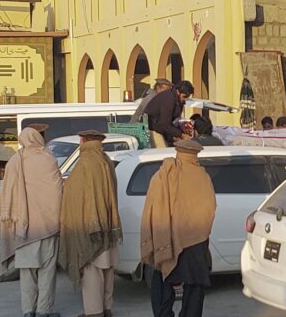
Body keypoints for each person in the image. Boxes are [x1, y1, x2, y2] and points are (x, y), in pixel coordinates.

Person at [141, 140, 216, 317]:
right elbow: (210, 209)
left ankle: (163, 314)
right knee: (195, 283)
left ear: (178, 152)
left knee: (163, 278)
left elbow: (152, 207)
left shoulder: (162, 175)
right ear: (195, 155)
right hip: (195, 241)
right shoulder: (202, 177)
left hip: (166, 238)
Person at [0, 124, 63, 317]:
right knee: (47, 271)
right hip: (48, 226)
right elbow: (57, 192)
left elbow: (7, 195)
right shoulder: (48, 159)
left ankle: (28, 310)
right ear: (39, 137)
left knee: (27, 273)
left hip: (23, 228)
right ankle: (43, 310)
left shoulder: (14, 161)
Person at [59, 130, 123, 317]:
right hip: (108, 224)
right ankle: (106, 308)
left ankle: (94, 312)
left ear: (84, 141)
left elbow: (77, 196)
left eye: (81, 140)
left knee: (92, 271)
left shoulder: (85, 163)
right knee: (107, 269)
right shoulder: (105, 160)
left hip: (90, 227)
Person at [144, 80, 195, 146]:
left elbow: (170, 122)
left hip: (161, 129)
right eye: (184, 96)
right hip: (153, 130)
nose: (185, 99)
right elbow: (164, 124)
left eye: (187, 97)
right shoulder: (168, 99)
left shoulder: (177, 100)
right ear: (178, 92)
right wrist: (181, 135)